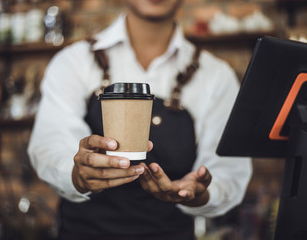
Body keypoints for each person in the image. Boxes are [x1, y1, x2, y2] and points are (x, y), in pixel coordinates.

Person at [28, 0, 252, 239]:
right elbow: (51, 143)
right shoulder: (73, 62)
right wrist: (78, 172)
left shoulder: (216, 76)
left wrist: (200, 193)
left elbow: (228, 170)